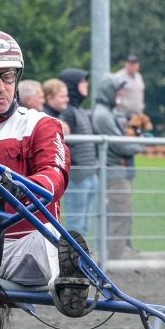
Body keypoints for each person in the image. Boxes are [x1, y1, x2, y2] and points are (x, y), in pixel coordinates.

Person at [0, 29, 89, 316]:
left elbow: (54, 173)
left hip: (26, 245)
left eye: (8, 76)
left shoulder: (41, 124)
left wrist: (28, 186)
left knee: (52, 238)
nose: (1, 87)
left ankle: (69, 279)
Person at [92, 74, 142, 259]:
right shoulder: (103, 115)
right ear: (110, 91)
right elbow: (120, 144)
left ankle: (115, 255)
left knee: (121, 216)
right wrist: (139, 144)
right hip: (115, 173)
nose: (120, 93)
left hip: (117, 171)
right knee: (119, 217)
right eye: (118, 90)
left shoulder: (107, 113)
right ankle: (114, 259)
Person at [57, 68, 98, 237]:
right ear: (73, 86)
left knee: (84, 224)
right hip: (77, 176)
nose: (86, 85)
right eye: (82, 82)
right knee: (76, 224)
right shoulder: (68, 112)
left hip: (88, 175)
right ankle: (73, 261)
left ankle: (82, 260)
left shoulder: (80, 110)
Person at [112, 54, 145, 118]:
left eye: (134, 64)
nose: (132, 66)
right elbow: (113, 94)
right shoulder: (118, 77)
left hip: (137, 115)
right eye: (130, 64)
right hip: (123, 115)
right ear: (125, 64)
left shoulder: (139, 76)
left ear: (138, 65)